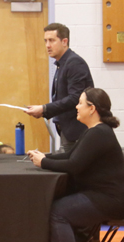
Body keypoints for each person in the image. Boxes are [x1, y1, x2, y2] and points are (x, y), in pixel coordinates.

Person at [30, 88, 124, 242]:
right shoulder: (96, 131)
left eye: (80, 103)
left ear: (92, 108)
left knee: (57, 212)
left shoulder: (98, 133)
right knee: (58, 208)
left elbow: (74, 165)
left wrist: (44, 162)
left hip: (112, 200)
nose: (76, 107)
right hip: (106, 196)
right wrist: (45, 156)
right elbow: (70, 156)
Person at [27, 23, 93, 152]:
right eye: (45, 41)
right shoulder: (62, 64)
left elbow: (76, 98)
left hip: (77, 131)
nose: (47, 45)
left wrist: (45, 109)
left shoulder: (74, 63)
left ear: (64, 41)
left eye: (52, 40)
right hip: (68, 130)